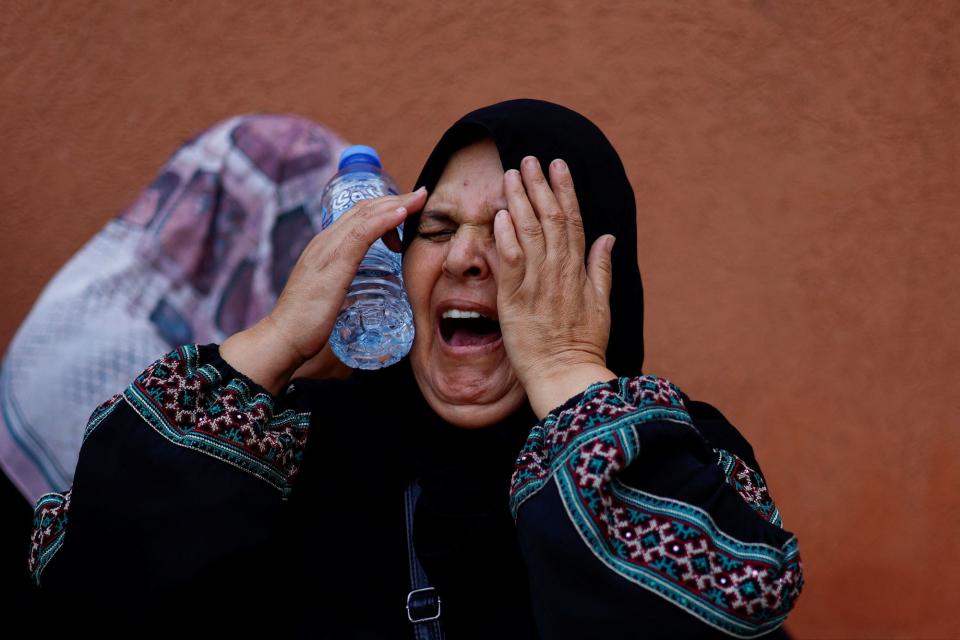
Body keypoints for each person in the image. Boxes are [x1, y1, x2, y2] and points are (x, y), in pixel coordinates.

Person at [26, 99, 803, 638]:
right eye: (435, 227)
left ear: (596, 273)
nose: (465, 257)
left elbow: (718, 616)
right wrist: (277, 338)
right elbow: (87, 583)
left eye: (513, 228)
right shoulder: (299, 450)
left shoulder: (675, 458)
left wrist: (566, 365)